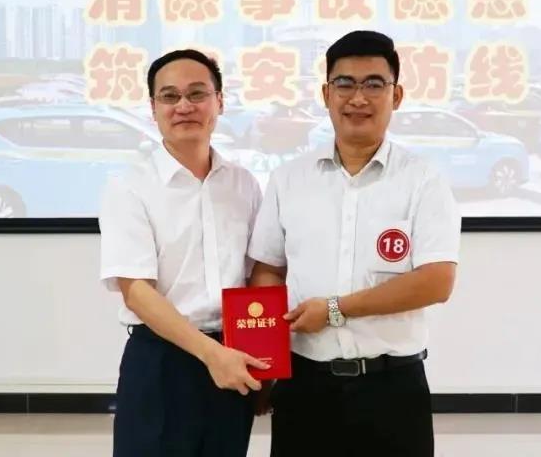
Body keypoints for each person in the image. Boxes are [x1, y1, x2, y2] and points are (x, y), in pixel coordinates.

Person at [248, 30, 462, 457]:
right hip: (305, 387)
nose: (358, 98)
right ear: (326, 94)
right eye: (345, 83)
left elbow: (436, 281)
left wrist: (334, 309)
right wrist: (265, 362)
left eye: (373, 84)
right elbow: (268, 270)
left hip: (392, 389)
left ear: (396, 95)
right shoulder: (289, 179)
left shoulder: (423, 180)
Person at [100, 49, 268, 457]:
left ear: (220, 101)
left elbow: (257, 278)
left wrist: (267, 360)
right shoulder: (130, 186)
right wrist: (212, 355)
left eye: (197, 93)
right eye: (170, 96)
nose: (184, 106)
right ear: (153, 108)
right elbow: (136, 291)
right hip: (161, 361)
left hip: (233, 356)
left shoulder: (244, 184)